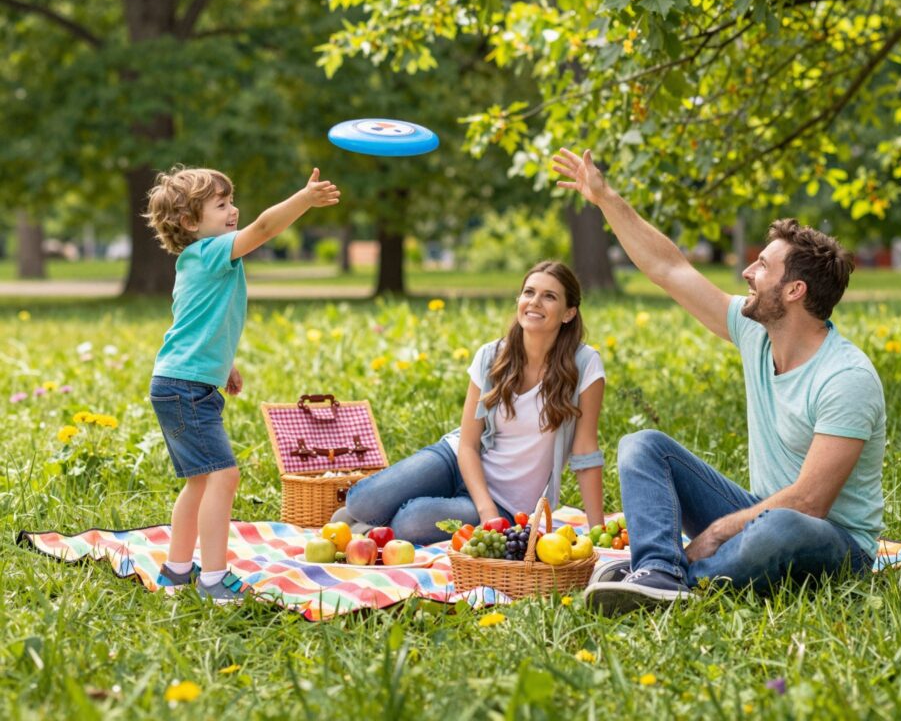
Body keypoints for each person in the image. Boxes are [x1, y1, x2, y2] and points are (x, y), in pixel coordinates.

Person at [552, 148, 885, 615]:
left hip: (833, 544)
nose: (748, 272)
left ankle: (676, 578)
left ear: (794, 291)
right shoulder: (756, 331)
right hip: (762, 510)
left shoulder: (846, 378)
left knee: (780, 528)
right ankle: (657, 573)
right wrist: (607, 199)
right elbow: (671, 269)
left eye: (763, 267)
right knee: (643, 445)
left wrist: (715, 533)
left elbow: (810, 503)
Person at [145, 165, 339, 601]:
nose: (233, 211)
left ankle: (177, 571)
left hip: (184, 381)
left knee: (199, 480)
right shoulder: (210, 252)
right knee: (223, 476)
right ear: (190, 223)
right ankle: (213, 579)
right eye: (221, 205)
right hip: (184, 388)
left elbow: (196, 322)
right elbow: (266, 227)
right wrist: (303, 199)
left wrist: (223, 365)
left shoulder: (198, 260)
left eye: (232, 201)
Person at [340, 261, 607, 545]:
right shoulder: (492, 356)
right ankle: (368, 519)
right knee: (360, 501)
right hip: (455, 461)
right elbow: (468, 444)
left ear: (569, 313)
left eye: (549, 296)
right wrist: (484, 511)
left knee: (411, 523)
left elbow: (585, 453)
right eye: (529, 292)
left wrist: (597, 532)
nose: (535, 302)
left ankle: (374, 527)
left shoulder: (585, 364)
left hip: (507, 501)